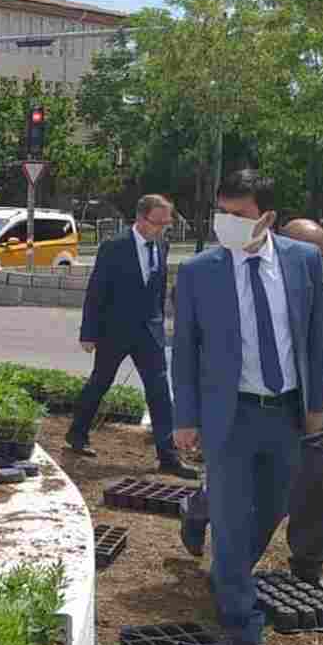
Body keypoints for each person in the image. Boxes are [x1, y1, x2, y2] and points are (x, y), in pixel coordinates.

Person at [171, 170, 323, 645]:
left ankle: (220, 553)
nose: (227, 224)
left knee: (275, 507)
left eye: (239, 215)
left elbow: (314, 339)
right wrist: (184, 418)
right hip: (230, 414)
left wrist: (315, 411)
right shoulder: (199, 272)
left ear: (267, 218)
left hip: (284, 412)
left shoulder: (303, 262)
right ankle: (242, 624)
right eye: (223, 214)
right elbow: (185, 353)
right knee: (236, 521)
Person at [180, 217, 323, 599]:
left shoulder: (317, 288)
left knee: (312, 482)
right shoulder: (236, 276)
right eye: (314, 254)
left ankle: (308, 564)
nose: (317, 264)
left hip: (303, 407)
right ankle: (201, 511)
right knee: (239, 483)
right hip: (247, 408)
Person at [67, 194, 197, 478]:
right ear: (140, 218)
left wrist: (161, 324)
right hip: (115, 331)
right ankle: (77, 434)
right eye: (158, 223)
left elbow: (159, 289)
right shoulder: (114, 247)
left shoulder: (162, 245)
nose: (162, 229)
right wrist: (88, 333)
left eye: (166, 223)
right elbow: (96, 292)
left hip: (149, 333)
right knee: (100, 382)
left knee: (160, 392)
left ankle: (168, 456)